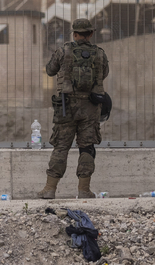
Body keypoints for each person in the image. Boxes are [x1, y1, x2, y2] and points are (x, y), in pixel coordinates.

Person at [38, 18, 110, 199]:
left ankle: (49, 189)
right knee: (87, 147)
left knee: (61, 147)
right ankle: (84, 190)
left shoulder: (64, 51)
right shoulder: (100, 54)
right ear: (91, 34)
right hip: (91, 107)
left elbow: (50, 70)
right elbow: (104, 74)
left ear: (75, 34)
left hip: (66, 106)